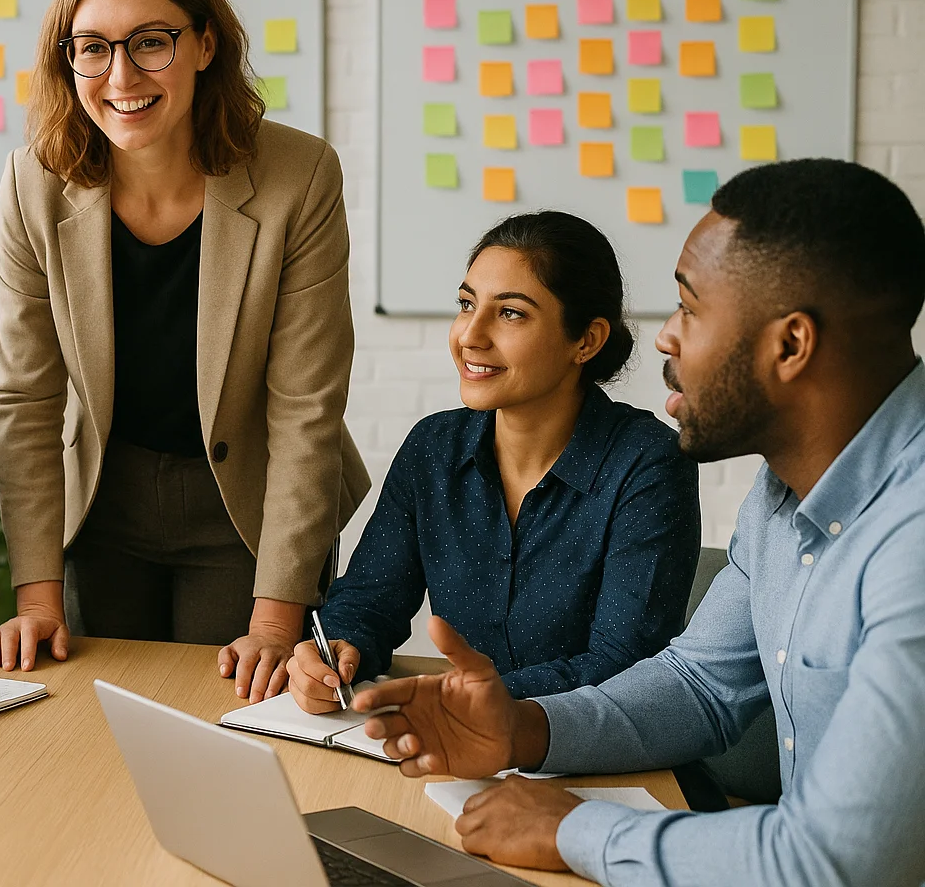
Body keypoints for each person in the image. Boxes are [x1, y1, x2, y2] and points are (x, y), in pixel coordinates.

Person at [353, 159, 925, 885]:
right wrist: (522, 728)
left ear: (790, 346)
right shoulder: (781, 494)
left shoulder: (912, 535)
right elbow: (699, 687)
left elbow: (831, 860)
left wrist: (574, 831)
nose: (663, 339)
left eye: (691, 309)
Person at [0, 0, 369, 703]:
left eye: (150, 41)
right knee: (94, 729)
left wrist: (273, 618)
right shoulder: (33, 182)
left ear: (205, 43)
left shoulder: (300, 176)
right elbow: (25, 398)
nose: (120, 74)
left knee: (232, 724)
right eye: (92, 46)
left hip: (248, 506)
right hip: (106, 502)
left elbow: (305, 408)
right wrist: (34, 597)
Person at [287, 212, 700, 713]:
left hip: (590, 752)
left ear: (586, 340)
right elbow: (370, 599)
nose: (470, 335)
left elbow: (626, 663)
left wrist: (466, 699)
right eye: (467, 305)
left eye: (511, 314)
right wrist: (339, 650)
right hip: (459, 739)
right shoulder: (433, 447)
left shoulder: (647, 464)